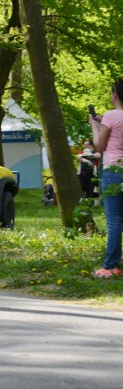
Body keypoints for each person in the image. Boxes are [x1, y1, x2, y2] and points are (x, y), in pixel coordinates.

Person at [90, 77, 123, 278]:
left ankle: (111, 266)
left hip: (114, 170)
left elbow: (99, 146)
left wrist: (95, 124)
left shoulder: (111, 116)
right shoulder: (111, 118)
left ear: (115, 95)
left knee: (115, 219)